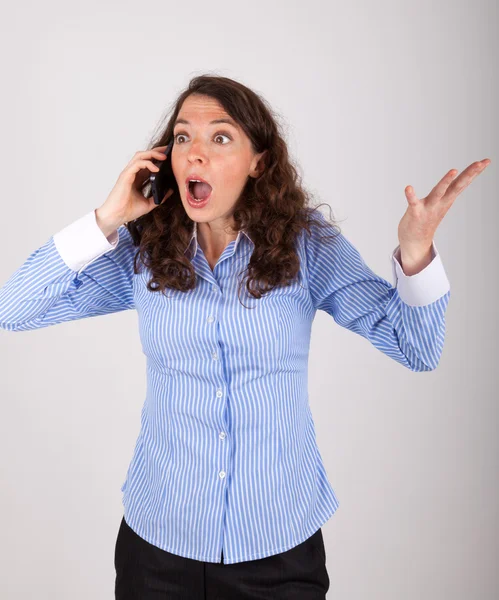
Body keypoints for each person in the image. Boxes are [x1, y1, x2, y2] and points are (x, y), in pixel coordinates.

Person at [3, 73, 479, 599]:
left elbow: (416, 347)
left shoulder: (308, 248)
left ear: (259, 162)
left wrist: (416, 254)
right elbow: (14, 309)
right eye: (183, 137)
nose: (195, 154)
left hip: (277, 548)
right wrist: (107, 218)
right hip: (158, 545)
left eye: (220, 137)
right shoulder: (142, 253)